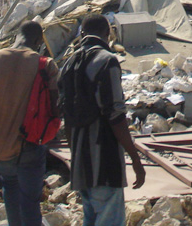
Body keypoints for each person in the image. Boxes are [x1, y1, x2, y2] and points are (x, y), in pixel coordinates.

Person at [58, 15, 146, 226]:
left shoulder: (68, 64)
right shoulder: (107, 61)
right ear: (108, 35)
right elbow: (115, 115)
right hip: (104, 161)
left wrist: (75, 156)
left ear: (82, 34)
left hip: (82, 162)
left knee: (91, 217)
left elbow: (66, 117)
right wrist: (134, 158)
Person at [0, 21, 59, 226]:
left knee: (10, 188)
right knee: (30, 201)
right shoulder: (46, 65)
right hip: (30, 143)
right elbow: (54, 109)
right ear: (38, 40)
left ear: (16, 36)